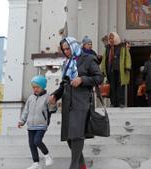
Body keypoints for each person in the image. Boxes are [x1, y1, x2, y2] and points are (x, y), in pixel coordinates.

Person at [49, 37, 103, 169]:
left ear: (74, 45)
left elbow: (99, 78)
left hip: (82, 101)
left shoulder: (88, 59)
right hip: (68, 103)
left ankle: (73, 166)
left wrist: (82, 80)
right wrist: (55, 95)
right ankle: (82, 165)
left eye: (68, 48)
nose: (66, 51)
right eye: (64, 49)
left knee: (77, 134)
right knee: (69, 137)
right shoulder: (67, 63)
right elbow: (64, 83)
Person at [18, 75, 57, 169]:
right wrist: (22, 121)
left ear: (43, 86)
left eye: (37, 87)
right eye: (33, 87)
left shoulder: (48, 97)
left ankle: (47, 156)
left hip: (41, 125)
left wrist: (53, 103)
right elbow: (26, 111)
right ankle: (36, 163)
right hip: (31, 125)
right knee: (32, 144)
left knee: (37, 141)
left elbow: (52, 109)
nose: (35, 89)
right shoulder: (30, 98)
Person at [100, 32, 131, 108]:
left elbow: (127, 57)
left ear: (116, 38)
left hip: (120, 70)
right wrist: (103, 70)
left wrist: (127, 66)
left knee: (120, 87)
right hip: (111, 70)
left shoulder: (123, 47)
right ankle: (113, 103)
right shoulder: (108, 48)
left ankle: (121, 102)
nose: (110, 40)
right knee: (112, 87)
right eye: (109, 38)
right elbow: (105, 59)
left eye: (112, 38)